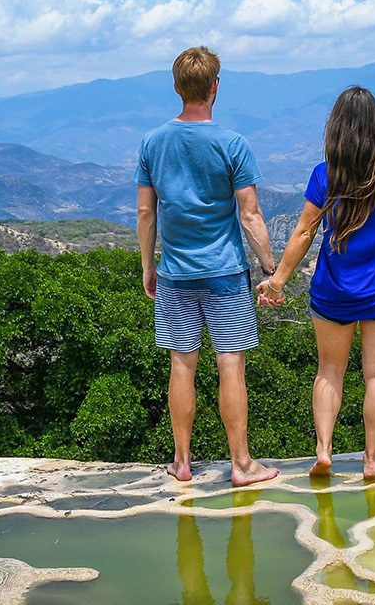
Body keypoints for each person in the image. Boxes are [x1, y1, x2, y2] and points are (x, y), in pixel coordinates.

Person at [256, 85, 375, 480]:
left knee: (329, 372)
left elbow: (304, 232)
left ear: (336, 130)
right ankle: (371, 461)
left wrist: (277, 282)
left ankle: (324, 450)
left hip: (334, 291)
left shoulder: (325, 177)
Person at [137, 46, 281, 487]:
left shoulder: (152, 143)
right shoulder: (233, 144)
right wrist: (272, 268)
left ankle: (182, 463)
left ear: (177, 88)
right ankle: (241, 464)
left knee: (182, 365)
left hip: (176, 273)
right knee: (230, 365)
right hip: (224, 273)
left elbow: (146, 213)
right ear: (215, 88)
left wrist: (149, 266)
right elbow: (250, 214)